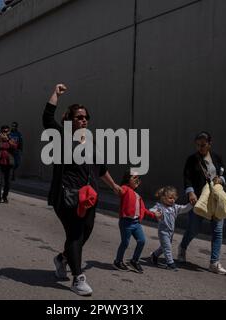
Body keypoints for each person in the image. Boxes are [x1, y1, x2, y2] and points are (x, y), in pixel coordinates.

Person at [42, 83, 122, 296]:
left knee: (85, 232)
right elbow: (47, 119)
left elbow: (100, 168)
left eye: (86, 116)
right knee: (75, 234)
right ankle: (78, 279)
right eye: (79, 117)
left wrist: (114, 186)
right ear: (69, 119)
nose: (84, 120)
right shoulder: (62, 138)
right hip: (67, 196)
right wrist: (55, 95)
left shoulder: (90, 141)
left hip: (89, 197)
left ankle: (62, 259)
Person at [178, 131, 226, 275]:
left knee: (217, 231)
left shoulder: (217, 158)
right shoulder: (192, 159)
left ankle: (214, 262)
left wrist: (221, 180)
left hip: (216, 200)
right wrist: (190, 192)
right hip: (199, 199)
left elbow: (224, 174)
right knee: (193, 229)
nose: (200, 147)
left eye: (203, 145)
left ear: (209, 144)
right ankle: (182, 248)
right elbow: (186, 177)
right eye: (198, 145)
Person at [113, 170, 159, 274]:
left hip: (136, 223)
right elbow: (120, 191)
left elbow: (144, 210)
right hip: (126, 222)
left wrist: (154, 214)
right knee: (125, 243)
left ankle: (134, 261)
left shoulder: (138, 196)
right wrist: (115, 187)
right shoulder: (125, 189)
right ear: (127, 180)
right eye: (134, 178)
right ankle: (118, 261)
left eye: (138, 178)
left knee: (142, 241)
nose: (137, 179)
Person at [149, 186, 192, 270]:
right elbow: (151, 210)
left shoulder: (174, 207)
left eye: (174, 198)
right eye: (170, 198)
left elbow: (184, 209)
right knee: (167, 247)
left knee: (163, 247)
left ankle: (154, 255)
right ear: (163, 198)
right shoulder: (160, 207)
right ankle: (170, 263)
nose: (173, 200)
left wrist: (191, 204)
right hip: (163, 232)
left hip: (171, 232)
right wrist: (155, 213)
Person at [0, 125, 17, 204]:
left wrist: (8, 140)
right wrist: (0, 140)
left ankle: (4, 196)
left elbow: (15, 147)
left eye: (6, 132)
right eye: (3, 132)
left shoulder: (12, 139)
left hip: (8, 164)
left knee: (7, 182)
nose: (5, 133)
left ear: (9, 132)